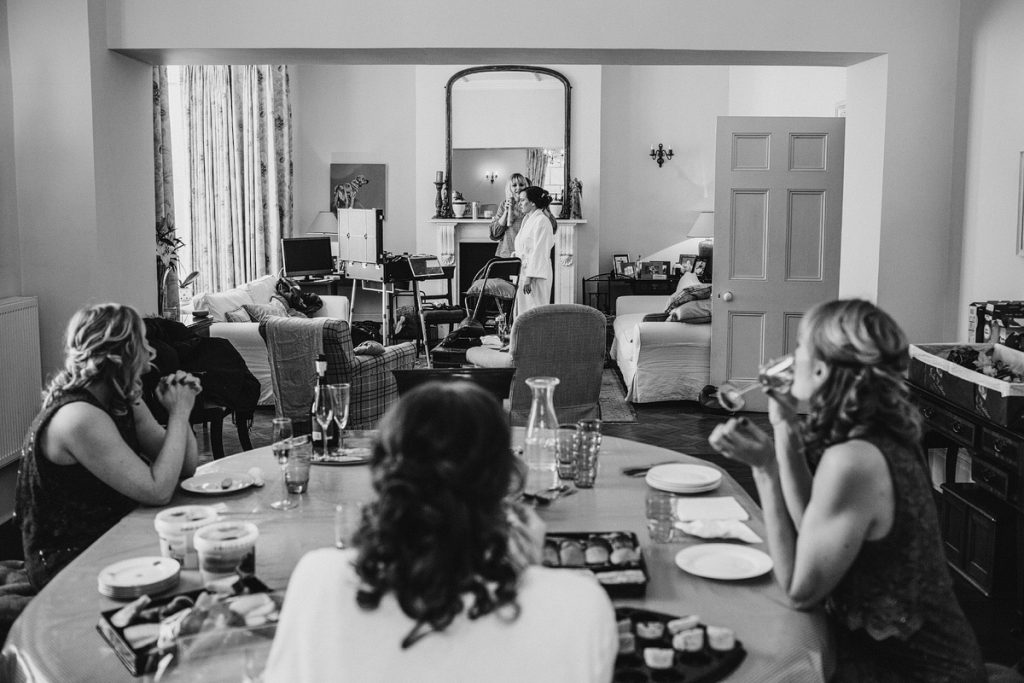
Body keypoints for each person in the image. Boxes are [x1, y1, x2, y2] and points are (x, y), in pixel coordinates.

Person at [708, 299, 986, 682]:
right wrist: (786, 426)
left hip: (919, 673)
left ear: (822, 368)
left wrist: (765, 468)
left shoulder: (853, 461)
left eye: (802, 345)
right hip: (883, 657)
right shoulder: (880, 433)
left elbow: (800, 592)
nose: (792, 356)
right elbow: (815, 528)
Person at [265, 382, 617, 682]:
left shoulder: (317, 578)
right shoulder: (581, 605)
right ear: (504, 481)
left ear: (387, 474)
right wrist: (532, 573)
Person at [16, 303, 200, 590]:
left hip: (115, 533)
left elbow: (185, 468)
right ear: (123, 353)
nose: (150, 350)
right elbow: (158, 491)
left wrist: (181, 407)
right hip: (73, 562)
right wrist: (177, 413)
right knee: (197, 560)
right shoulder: (79, 417)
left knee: (201, 543)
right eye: (142, 341)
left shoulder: (122, 399)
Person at [512, 185, 557, 316]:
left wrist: (529, 278)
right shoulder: (527, 219)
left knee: (535, 310)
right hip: (524, 272)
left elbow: (540, 251)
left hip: (535, 275)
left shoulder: (542, 221)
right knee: (523, 312)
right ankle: (523, 336)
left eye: (522, 200)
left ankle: (537, 336)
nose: (519, 203)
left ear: (532, 203)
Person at [488, 173, 530, 258]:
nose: (518, 188)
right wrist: (506, 212)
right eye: (514, 185)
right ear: (510, 188)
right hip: (507, 252)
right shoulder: (504, 204)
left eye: (521, 185)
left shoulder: (530, 204)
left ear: (526, 186)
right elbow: (494, 234)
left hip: (526, 253)